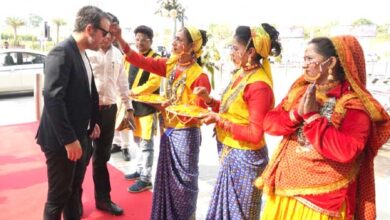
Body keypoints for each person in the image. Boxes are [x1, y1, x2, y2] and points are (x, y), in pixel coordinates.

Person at [257, 36, 390, 219]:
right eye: (304, 59)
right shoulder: (300, 91)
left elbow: (347, 150)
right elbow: (269, 124)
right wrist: (296, 114)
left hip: (322, 203)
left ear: (332, 62)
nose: (304, 65)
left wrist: (313, 117)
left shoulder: (353, 105)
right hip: (285, 192)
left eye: (310, 59)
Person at [111, 24, 211, 219]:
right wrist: (121, 39)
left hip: (186, 135)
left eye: (180, 40)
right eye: (175, 38)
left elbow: (199, 113)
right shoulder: (171, 65)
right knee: (168, 181)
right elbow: (140, 60)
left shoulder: (200, 76)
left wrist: (166, 107)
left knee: (184, 184)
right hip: (169, 132)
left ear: (192, 48)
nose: (174, 42)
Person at [194, 24, 281, 219]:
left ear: (250, 51)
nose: (231, 53)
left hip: (246, 159)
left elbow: (254, 133)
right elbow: (232, 111)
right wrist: (209, 101)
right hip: (232, 154)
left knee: (239, 215)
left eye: (235, 48)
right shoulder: (242, 74)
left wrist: (219, 120)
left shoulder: (259, 85)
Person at [35, 6, 108, 220]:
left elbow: (84, 94)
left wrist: (91, 122)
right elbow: (53, 99)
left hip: (81, 136)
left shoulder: (82, 53)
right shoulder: (61, 52)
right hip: (62, 142)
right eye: (104, 33)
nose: (106, 38)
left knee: (74, 192)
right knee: (58, 197)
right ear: (89, 29)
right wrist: (69, 140)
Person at [86, 12, 135, 216]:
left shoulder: (118, 55)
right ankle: (73, 200)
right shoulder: (87, 53)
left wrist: (129, 108)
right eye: (107, 32)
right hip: (88, 111)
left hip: (109, 110)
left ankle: (103, 199)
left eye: (114, 32)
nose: (109, 37)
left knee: (101, 158)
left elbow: (123, 84)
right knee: (80, 158)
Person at [122, 25, 162, 192]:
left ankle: (146, 178)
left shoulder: (156, 58)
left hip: (147, 107)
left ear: (151, 41)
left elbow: (154, 83)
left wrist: (133, 92)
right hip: (133, 106)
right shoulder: (130, 57)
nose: (139, 43)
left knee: (146, 143)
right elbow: (124, 76)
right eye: (137, 39)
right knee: (137, 140)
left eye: (143, 40)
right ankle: (140, 169)